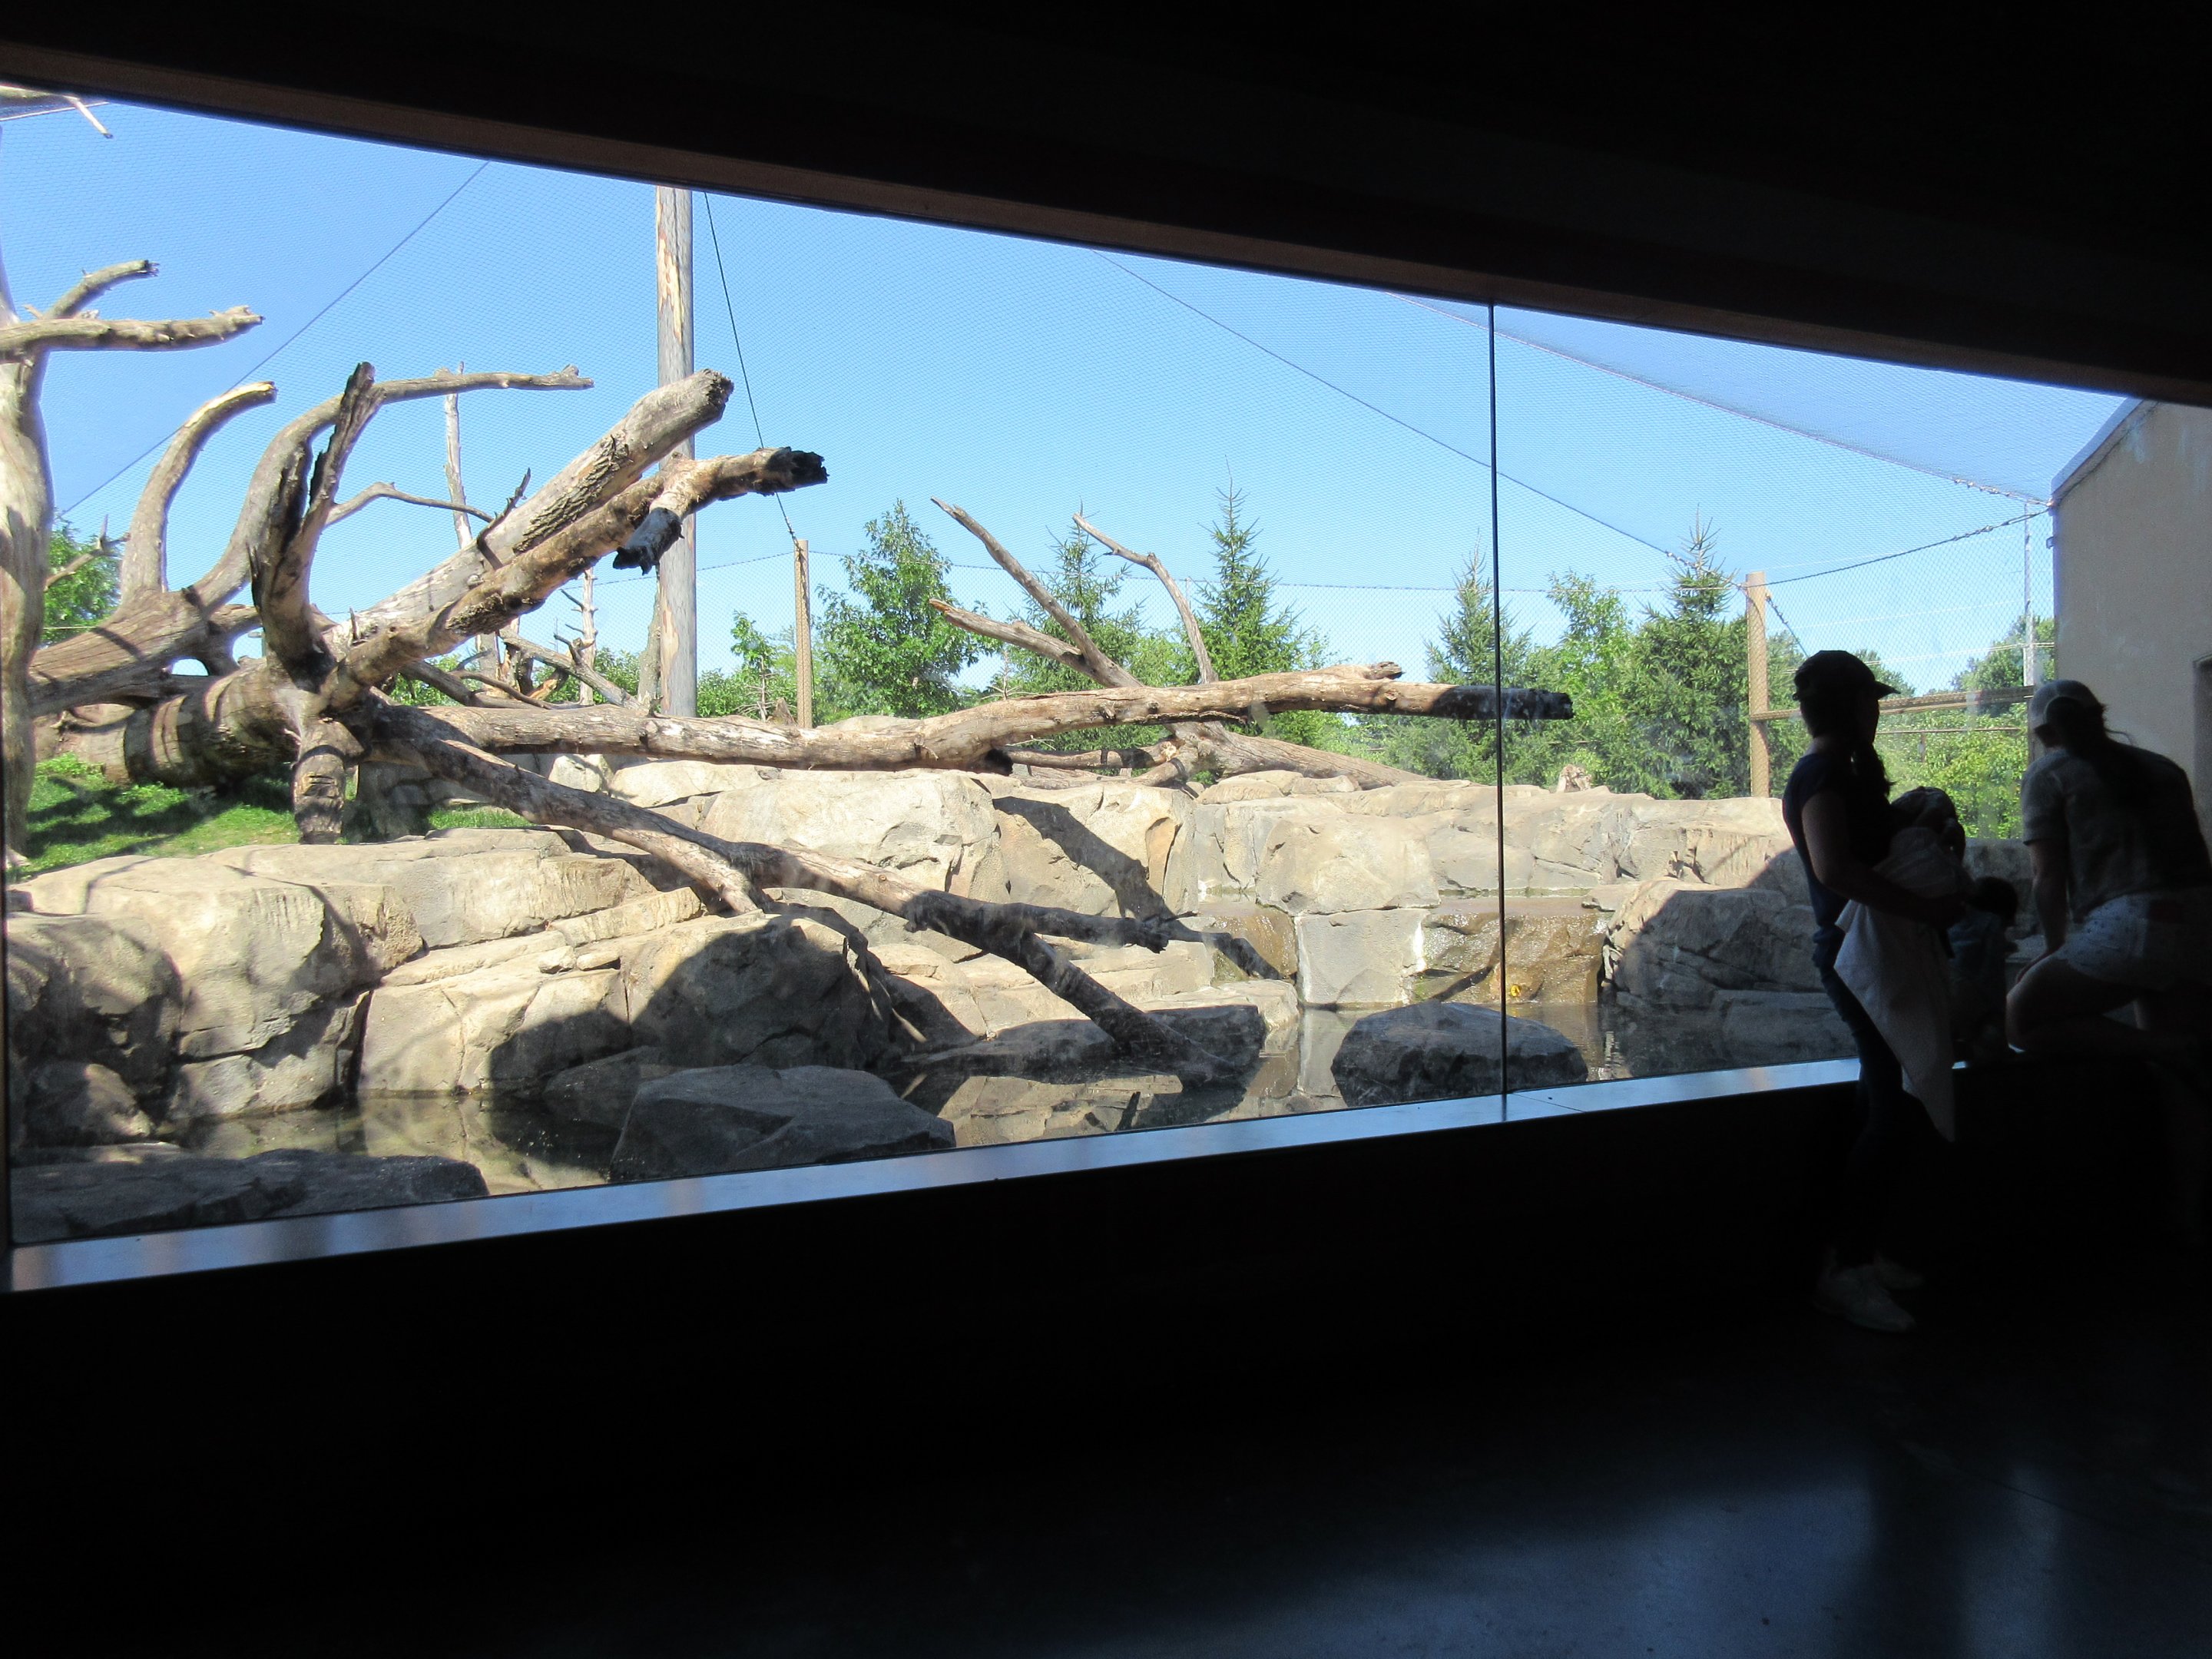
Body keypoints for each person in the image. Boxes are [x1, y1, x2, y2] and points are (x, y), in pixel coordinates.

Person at [1782, 651, 1963, 1333]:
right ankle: (1847, 1268)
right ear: (1854, 706)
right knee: (1892, 1110)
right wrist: (1927, 907)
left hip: (1872, 949)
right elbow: (1836, 869)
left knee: (1883, 1101)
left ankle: (1862, 1251)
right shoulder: (1822, 774)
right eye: (1873, 701)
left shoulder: (1842, 772)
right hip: (1858, 954)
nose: (1878, 712)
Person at [2005, 680, 2212, 1243]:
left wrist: (2052, 949)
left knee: (2021, 1017)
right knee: (2183, 1083)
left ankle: (2166, 1048)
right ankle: (2191, 1215)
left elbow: (2048, 878)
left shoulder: (2049, 774)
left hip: (2133, 925)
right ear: (2099, 714)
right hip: (2202, 924)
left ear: (2043, 731)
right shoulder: (2163, 768)